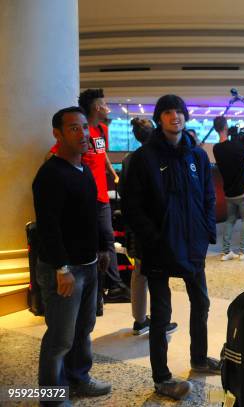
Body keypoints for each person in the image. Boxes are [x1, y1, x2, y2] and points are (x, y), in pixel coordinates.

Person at [123, 95, 221, 400]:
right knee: (161, 314)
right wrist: (153, 237)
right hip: (159, 248)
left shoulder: (197, 156)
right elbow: (133, 206)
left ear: (185, 116)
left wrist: (206, 232)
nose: (174, 117)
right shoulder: (144, 158)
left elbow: (207, 197)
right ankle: (162, 377)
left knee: (201, 303)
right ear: (159, 118)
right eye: (168, 112)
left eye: (179, 111)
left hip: (193, 244)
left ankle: (199, 358)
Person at [33, 107, 112, 406]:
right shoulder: (50, 174)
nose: (83, 134)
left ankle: (79, 379)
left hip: (88, 265)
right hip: (65, 269)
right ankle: (51, 397)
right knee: (60, 339)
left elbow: (92, 212)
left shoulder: (83, 169)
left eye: (84, 128)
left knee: (83, 330)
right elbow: (48, 227)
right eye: (74, 129)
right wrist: (61, 267)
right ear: (58, 134)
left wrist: (103, 248)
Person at [47, 89, 128, 314]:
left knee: (106, 241)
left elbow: (102, 157)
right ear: (96, 107)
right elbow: (54, 153)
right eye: (104, 104)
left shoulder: (100, 131)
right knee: (100, 241)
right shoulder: (80, 135)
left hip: (101, 194)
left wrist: (113, 174)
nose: (107, 108)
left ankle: (108, 287)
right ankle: (111, 286)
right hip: (85, 198)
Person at [120, 118, 178, 336]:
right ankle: (160, 321)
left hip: (136, 225)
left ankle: (140, 320)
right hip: (155, 226)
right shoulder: (157, 158)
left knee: (140, 272)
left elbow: (125, 195)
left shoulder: (129, 159)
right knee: (158, 274)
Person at [212, 115, 244, 261]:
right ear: (225, 127)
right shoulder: (234, 146)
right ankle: (243, 252)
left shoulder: (216, 148)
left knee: (230, 221)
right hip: (243, 191)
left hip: (229, 192)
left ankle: (225, 252)